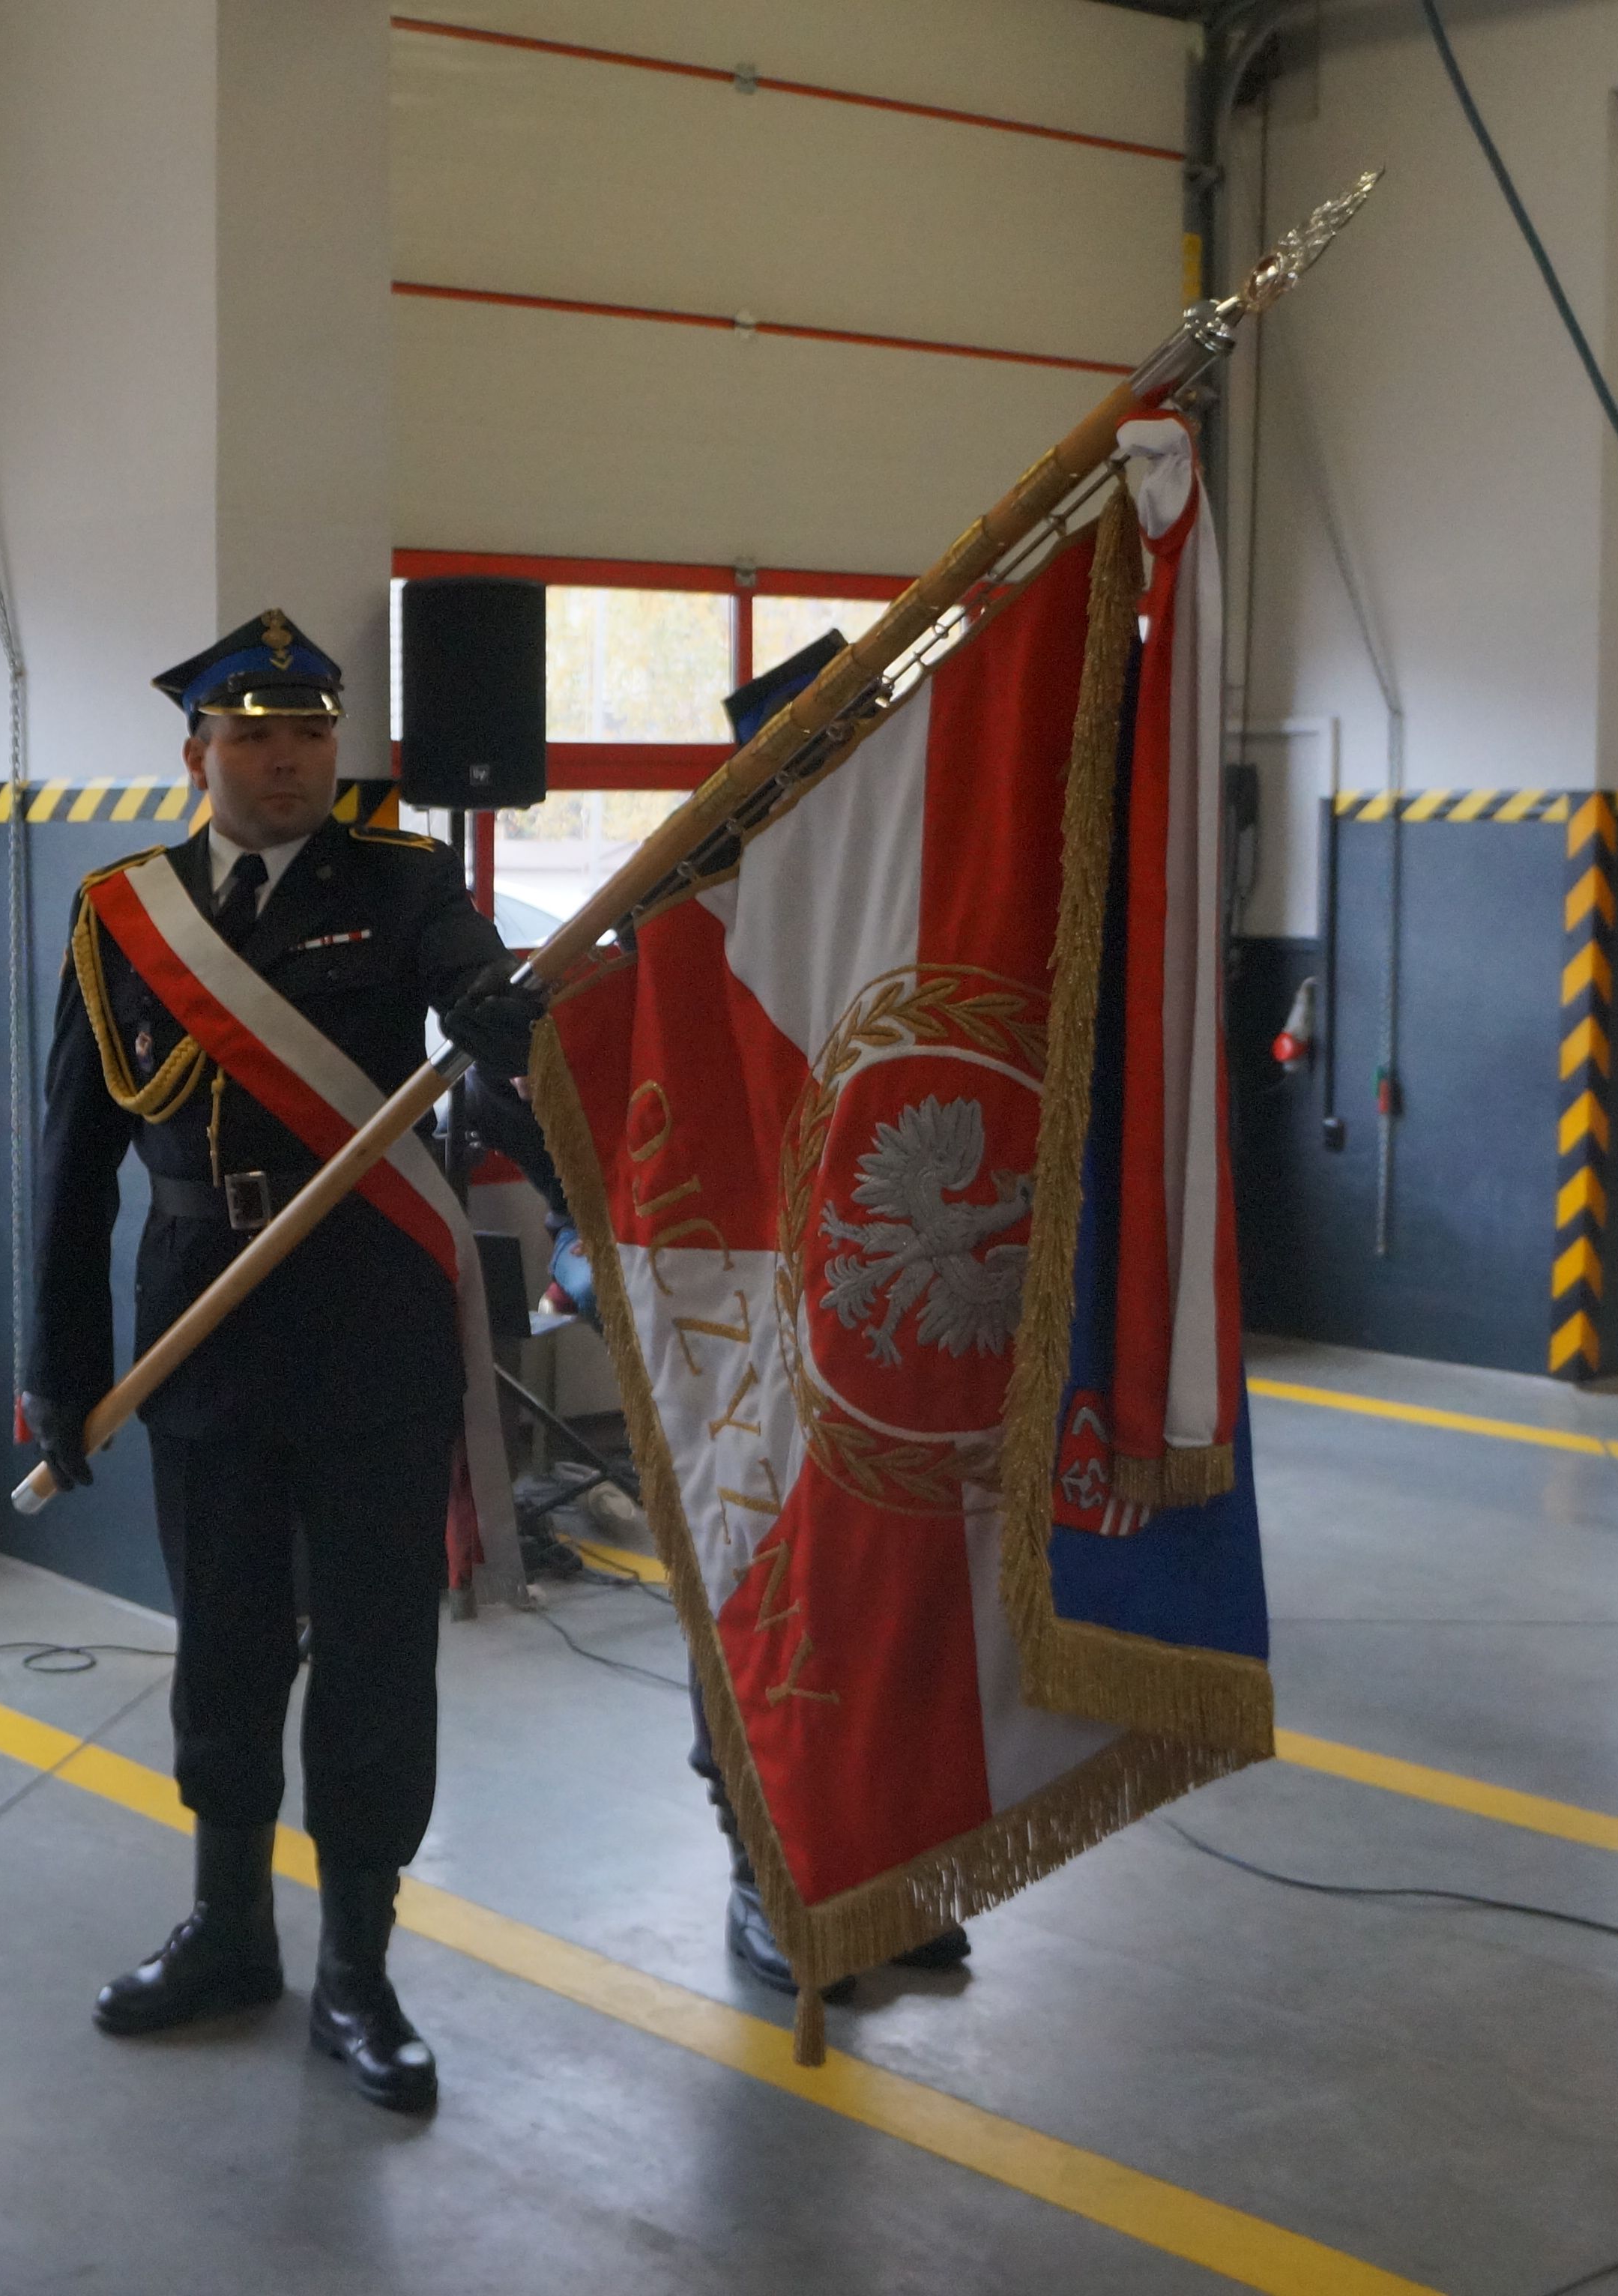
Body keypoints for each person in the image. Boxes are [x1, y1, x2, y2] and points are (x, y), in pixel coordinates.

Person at [23, 608, 546, 2115]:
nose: (288, 760)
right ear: (196, 755)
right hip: (204, 1326)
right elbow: (70, 1156)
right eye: (253, 736)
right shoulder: (125, 913)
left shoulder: (404, 884)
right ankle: (228, 1930)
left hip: (371, 1322)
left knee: (377, 1658)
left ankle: (359, 1969)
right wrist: (58, 1372)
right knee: (226, 1648)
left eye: (310, 733)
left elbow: (469, 980)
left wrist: (498, 1016)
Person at [692, 629, 966, 2000]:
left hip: (876, 1314)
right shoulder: (694, 900)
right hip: (732, 1309)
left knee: (885, 1594)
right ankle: (766, 1872)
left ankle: (879, 1868)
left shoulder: (913, 895)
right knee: (752, 1581)